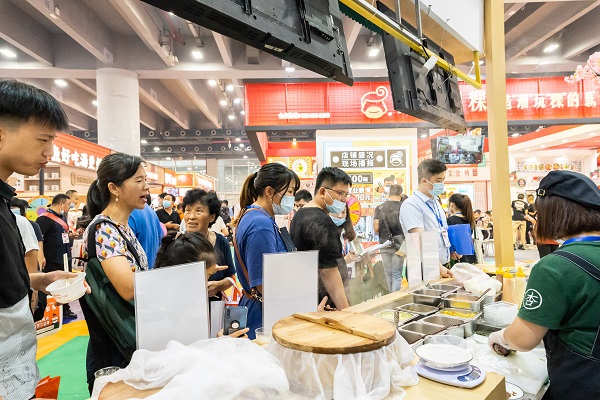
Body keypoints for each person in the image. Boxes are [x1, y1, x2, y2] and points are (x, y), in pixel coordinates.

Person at [0, 79, 83, 400]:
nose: (49, 153)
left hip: (17, 376)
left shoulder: (6, 204)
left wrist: (37, 279)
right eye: (43, 140)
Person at [488, 170, 600, 399]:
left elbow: (523, 339)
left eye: (539, 214)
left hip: (583, 384)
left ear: (554, 213)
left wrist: (501, 337)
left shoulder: (555, 267)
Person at [81, 152, 150, 393]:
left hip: (124, 338)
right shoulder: (104, 230)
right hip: (114, 346)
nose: (146, 187)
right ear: (114, 188)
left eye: (146, 180)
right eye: (138, 180)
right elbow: (128, 288)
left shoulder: (122, 227)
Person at [233, 163, 299, 340]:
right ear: (269, 192)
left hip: (260, 307)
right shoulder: (260, 224)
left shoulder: (256, 217)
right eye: (290, 191)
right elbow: (264, 284)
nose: (292, 197)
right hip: (262, 314)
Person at [153, 232, 249, 338]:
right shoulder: (175, 317)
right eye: (207, 275)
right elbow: (193, 351)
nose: (207, 283)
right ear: (186, 275)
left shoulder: (174, 300)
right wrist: (222, 343)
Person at [291, 167, 351, 310]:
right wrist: (347, 311)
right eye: (340, 193)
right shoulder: (321, 221)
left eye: (346, 194)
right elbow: (329, 272)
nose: (343, 199)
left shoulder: (300, 215)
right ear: (323, 191)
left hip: (308, 296)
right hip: (325, 303)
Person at [399, 159, 453, 280]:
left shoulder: (435, 203)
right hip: (424, 267)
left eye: (443, 180)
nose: (442, 185)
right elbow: (420, 239)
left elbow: (441, 231)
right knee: (427, 298)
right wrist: (437, 266)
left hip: (440, 265)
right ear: (424, 180)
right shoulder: (411, 205)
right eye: (438, 181)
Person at [181, 189, 236, 301]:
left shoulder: (221, 241)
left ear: (212, 216)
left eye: (199, 211)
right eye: (188, 210)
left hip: (216, 310)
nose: (191, 216)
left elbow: (231, 277)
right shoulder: (177, 244)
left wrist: (218, 285)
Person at [36, 193, 77, 319]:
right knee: (52, 285)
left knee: (66, 283)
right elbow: (38, 239)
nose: (68, 208)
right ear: (61, 204)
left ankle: (65, 308)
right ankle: (50, 310)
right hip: (52, 258)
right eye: (68, 205)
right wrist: (41, 256)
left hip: (64, 257)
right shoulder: (44, 219)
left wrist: (70, 236)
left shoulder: (61, 218)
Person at [373, 184, 405, 292]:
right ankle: (394, 299)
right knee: (396, 274)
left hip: (384, 242)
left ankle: (389, 296)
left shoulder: (380, 207)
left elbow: (376, 228)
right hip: (400, 243)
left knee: (388, 272)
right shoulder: (404, 207)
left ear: (389, 193)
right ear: (400, 194)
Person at [128, 194, 164, 269]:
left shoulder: (128, 213)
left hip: (137, 274)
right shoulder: (151, 211)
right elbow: (161, 239)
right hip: (153, 268)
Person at [446, 193, 477, 264]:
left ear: (452, 204)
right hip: (470, 256)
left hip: (456, 257)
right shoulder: (470, 219)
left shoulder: (450, 220)